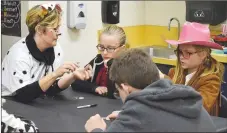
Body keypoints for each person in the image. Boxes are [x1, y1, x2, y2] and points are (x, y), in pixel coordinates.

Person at [84, 49, 216, 132]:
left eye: (118, 91)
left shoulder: (133, 118)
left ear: (125, 87)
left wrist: (96, 129)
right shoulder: (190, 102)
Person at [1, 3, 92, 103]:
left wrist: (72, 76)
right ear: (40, 30)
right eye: (55, 29)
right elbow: (23, 95)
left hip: (35, 101)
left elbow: (51, 88)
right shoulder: (19, 55)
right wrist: (54, 74)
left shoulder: (56, 49)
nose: (59, 32)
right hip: (11, 102)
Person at [159, 22, 225, 116]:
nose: (181, 57)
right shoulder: (175, 73)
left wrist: (167, 82)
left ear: (203, 54)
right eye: (180, 52)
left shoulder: (211, 80)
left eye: (187, 53)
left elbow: (197, 106)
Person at [71, 25, 127, 98]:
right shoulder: (98, 60)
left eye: (110, 48)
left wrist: (110, 65)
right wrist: (94, 88)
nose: (105, 53)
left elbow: (115, 93)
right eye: (102, 47)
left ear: (122, 48)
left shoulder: (128, 66)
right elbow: (75, 82)